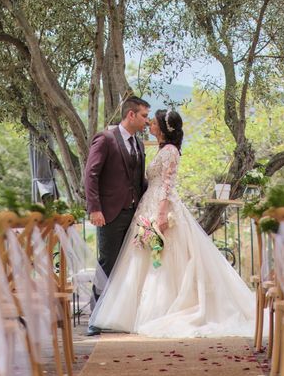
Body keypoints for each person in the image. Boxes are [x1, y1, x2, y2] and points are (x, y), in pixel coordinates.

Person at [89, 109, 256, 338]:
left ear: (163, 128)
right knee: (140, 258)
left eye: (154, 122)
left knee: (162, 258)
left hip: (160, 207)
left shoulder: (169, 151)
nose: (150, 124)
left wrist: (161, 213)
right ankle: (125, 313)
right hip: (147, 204)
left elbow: (167, 183)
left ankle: (159, 310)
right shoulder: (158, 148)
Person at [84, 96, 150, 336]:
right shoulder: (106, 138)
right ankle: (95, 317)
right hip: (109, 213)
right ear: (130, 115)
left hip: (134, 213)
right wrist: (95, 208)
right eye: (143, 116)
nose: (146, 121)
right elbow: (91, 174)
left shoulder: (139, 144)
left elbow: (137, 180)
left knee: (127, 266)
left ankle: (117, 317)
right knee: (108, 263)